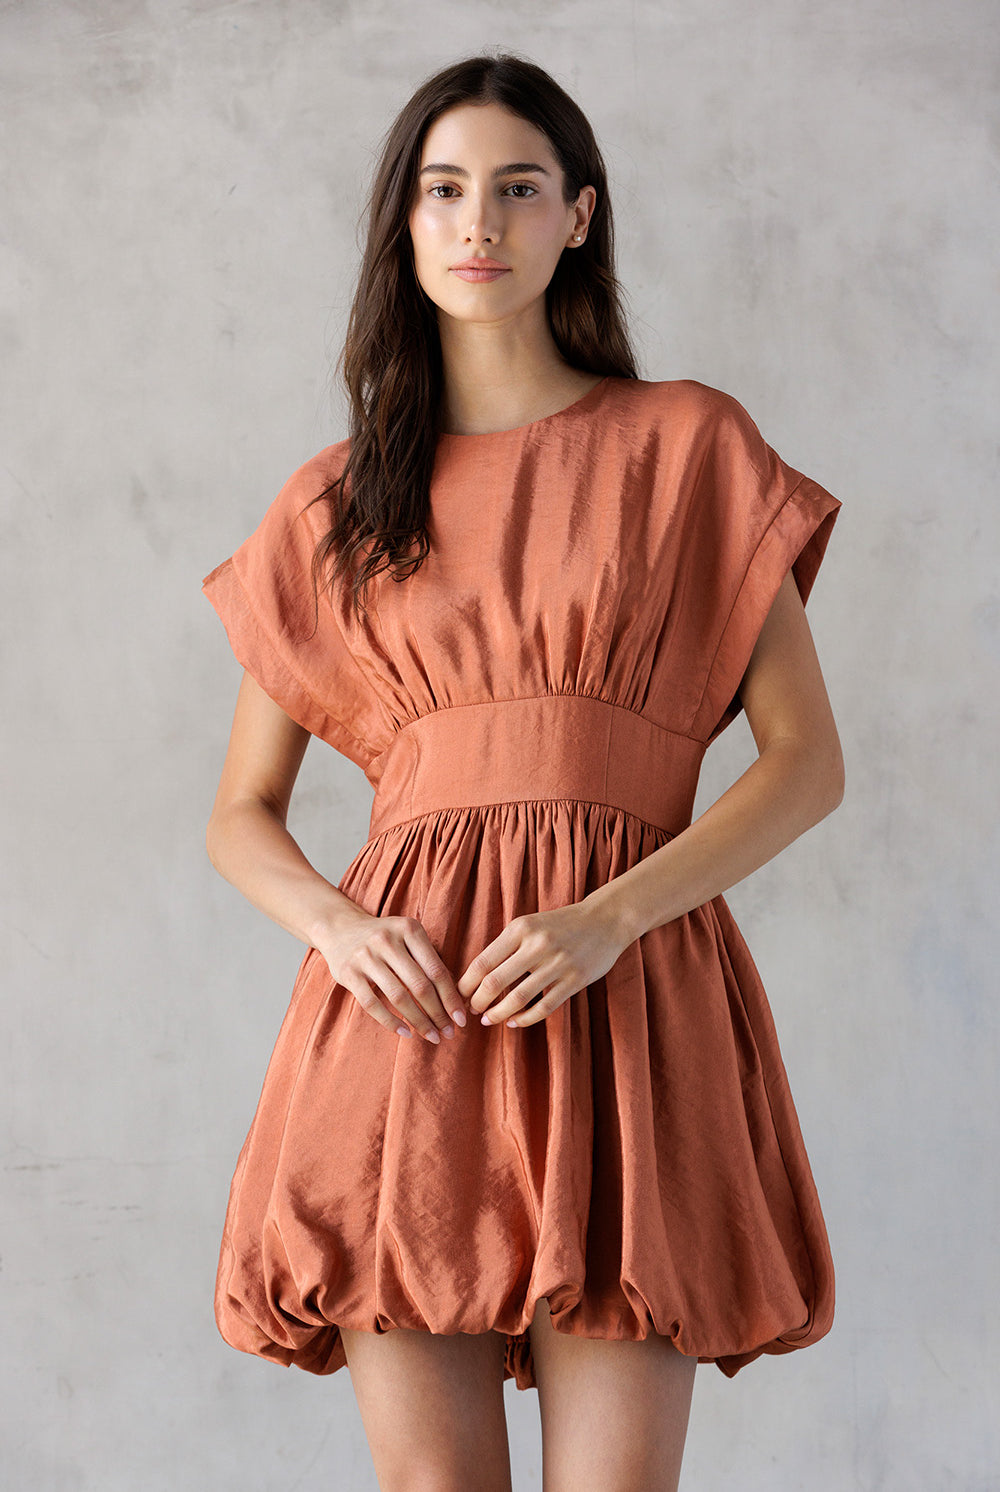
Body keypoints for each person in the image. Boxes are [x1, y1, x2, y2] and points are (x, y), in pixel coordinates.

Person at [202, 50, 844, 1492]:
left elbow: (806, 766)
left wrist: (615, 912)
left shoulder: (685, 447)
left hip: (628, 1000)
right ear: (405, 226)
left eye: (516, 187)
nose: (476, 221)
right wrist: (339, 926)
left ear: (580, 218)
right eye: (441, 192)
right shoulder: (334, 498)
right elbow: (241, 814)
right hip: (408, 1017)